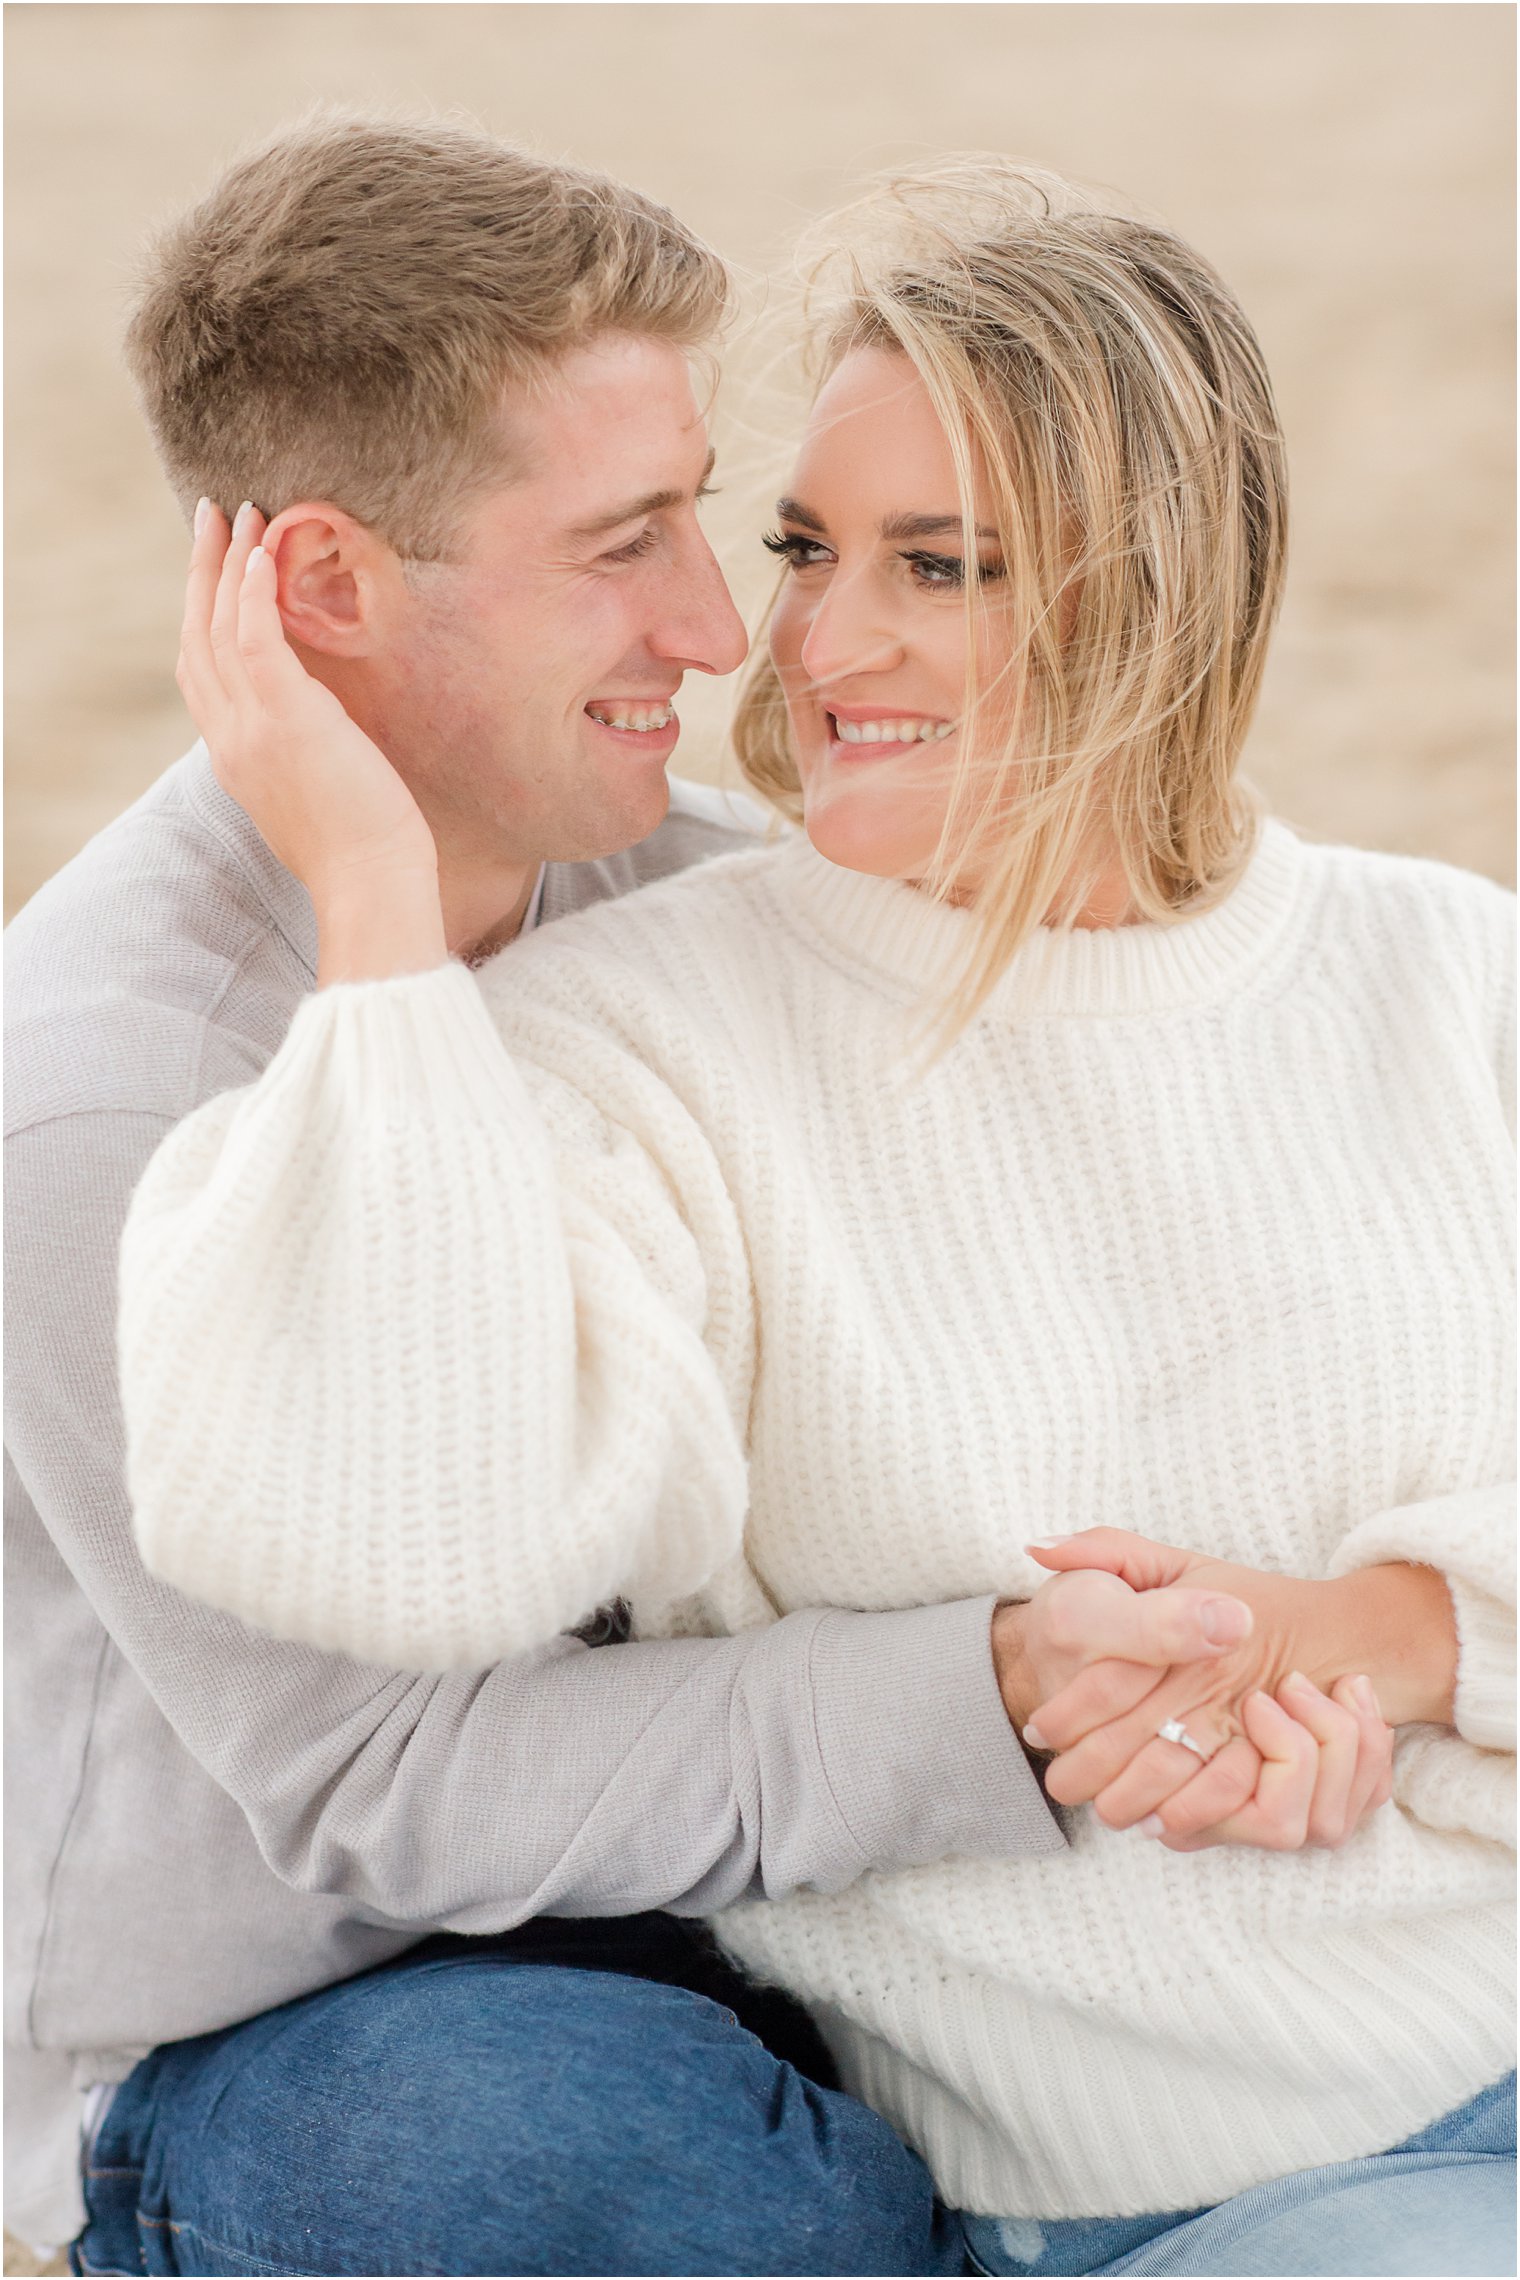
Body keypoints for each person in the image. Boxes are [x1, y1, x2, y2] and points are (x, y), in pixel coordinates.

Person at [120, 154, 1514, 2275]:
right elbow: (402, 1531)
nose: (805, 639)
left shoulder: (1451, 975)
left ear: (1152, 597)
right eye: (804, 546)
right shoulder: (636, 1038)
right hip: (1172, 2200)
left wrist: (1387, 1642)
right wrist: (377, 919)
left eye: (934, 567)